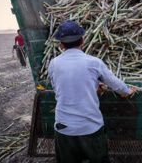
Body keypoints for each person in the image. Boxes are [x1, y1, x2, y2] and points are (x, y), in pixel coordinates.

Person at [48, 20, 135, 163]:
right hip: (90, 127)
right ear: (83, 40)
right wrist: (127, 91)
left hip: (64, 127)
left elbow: (59, 89)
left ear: (61, 44)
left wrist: (91, 87)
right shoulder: (93, 62)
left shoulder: (53, 63)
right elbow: (116, 84)